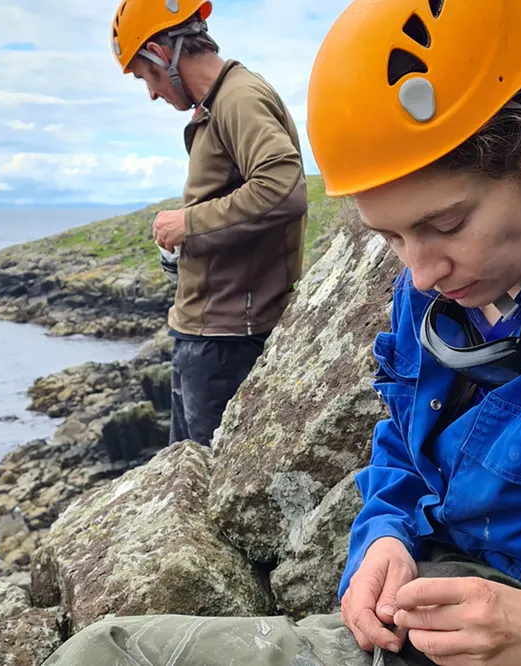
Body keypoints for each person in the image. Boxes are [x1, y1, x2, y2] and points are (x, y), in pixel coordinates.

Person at [43, 0, 521, 664]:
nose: (419, 274)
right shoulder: (440, 289)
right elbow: (403, 451)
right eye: (390, 236)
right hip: (435, 609)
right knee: (104, 652)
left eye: (445, 226)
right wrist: (385, 537)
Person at [110, 0, 309, 448]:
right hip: (205, 332)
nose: (152, 93)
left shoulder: (239, 97)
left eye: (147, 76)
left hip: (226, 341)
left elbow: (283, 187)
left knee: (207, 485)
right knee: (186, 474)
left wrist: (189, 224)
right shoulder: (217, 103)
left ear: (163, 54)